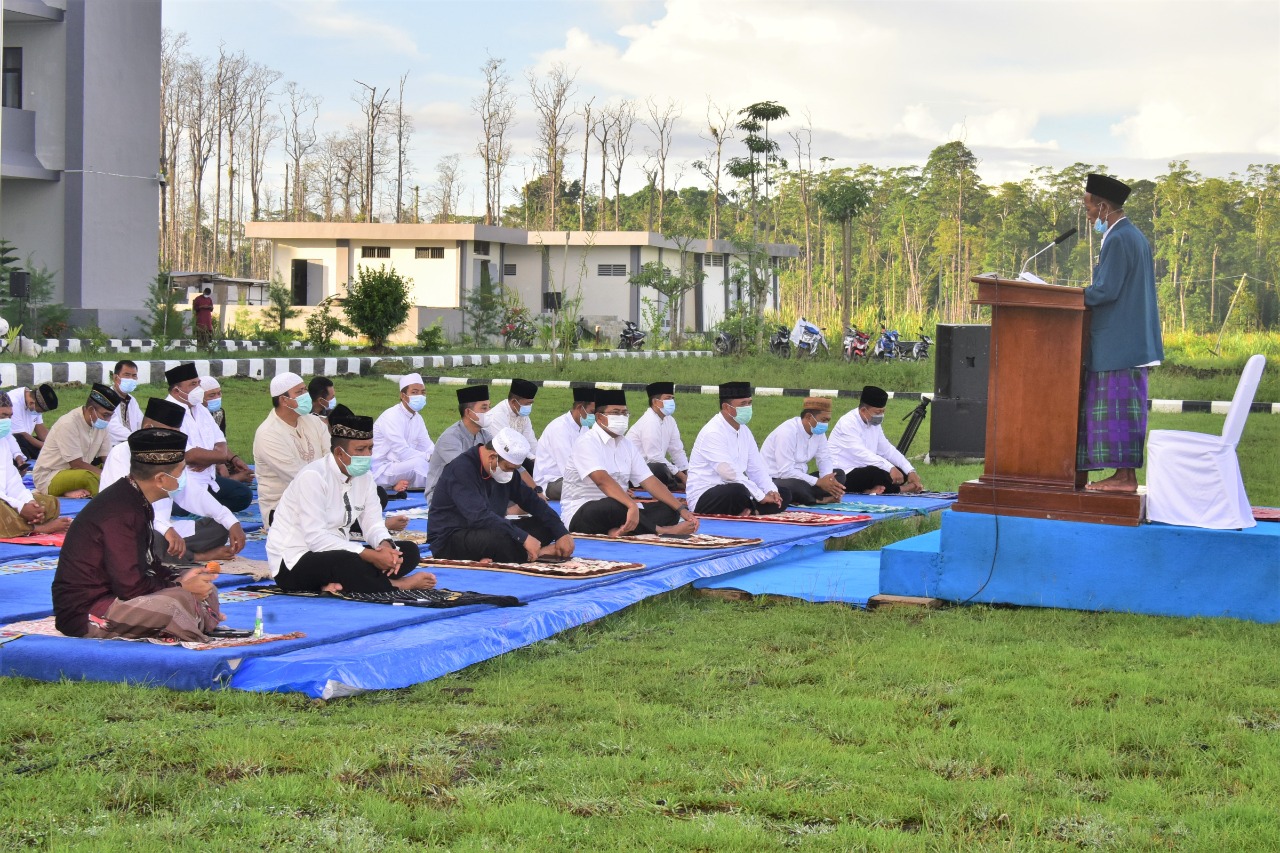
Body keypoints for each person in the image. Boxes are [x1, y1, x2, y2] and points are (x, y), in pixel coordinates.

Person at [52, 427, 229, 641]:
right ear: (161, 479)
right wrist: (181, 586)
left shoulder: (137, 499)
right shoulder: (119, 511)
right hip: (89, 609)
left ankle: (199, 618)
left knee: (204, 587)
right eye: (181, 472)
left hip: (121, 595)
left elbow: (147, 565)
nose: (183, 478)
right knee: (174, 604)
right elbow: (130, 586)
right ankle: (200, 621)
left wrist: (180, 578)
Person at [266, 410, 435, 593]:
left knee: (407, 552)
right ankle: (398, 585)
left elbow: (372, 523)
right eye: (360, 450)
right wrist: (368, 555)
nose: (367, 455)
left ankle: (337, 584)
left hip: (338, 550)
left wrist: (385, 546)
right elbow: (316, 539)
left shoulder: (366, 478)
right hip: (294, 560)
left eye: (370, 448)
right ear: (339, 452)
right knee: (348, 561)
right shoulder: (313, 477)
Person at [1078, 173, 1164, 493]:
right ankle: (1122, 475)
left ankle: (1124, 478)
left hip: (1119, 343)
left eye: (1088, 206)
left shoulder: (1118, 238)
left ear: (1103, 207)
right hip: (1126, 341)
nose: (1086, 213)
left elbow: (1105, 291)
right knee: (1121, 409)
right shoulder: (1132, 235)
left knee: (1119, 411)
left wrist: (1074, 295)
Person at [100, 397, 246, 563]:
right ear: (149, 428)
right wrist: (165, 528)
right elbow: (127, 509)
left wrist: (230, 521)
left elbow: (193, 494)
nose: (173, 439)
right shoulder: (122, 454)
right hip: (130, 528)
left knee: (219, 528)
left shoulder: (170, 456)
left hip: (164, 529)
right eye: (169, 432)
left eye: (176, 433)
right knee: (147, 538)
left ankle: (172, 554)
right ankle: (196, 556)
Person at [561, 389, 699, 536]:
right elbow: (602, 481)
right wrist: (631, 504)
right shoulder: (587, 442)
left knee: (668, 509)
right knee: (615, 504)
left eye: (624, 413)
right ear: (599, 418)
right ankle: (662, 531)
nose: (621, 417)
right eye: (615, 412)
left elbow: (649, 480)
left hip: (623, 507)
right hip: (583, 512)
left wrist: (681, 509)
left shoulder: (626, 444)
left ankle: (620, 530)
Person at [429, 428, 575, 562]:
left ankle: (512, 554)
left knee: (546, 525)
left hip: (488, 528)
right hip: (452, 537)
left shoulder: (504, 469)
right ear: (492, 457)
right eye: (509, 468)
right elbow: (479, 517)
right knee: (500, 539)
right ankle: (538, 553)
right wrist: (523, 538)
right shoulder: (461, 469)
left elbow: (532, 501)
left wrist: (561, 532)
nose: (511, 472)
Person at [685, 382, 789, 516]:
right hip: (707, 495)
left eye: (750, 403)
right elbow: (729, 474)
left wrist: (771, 490)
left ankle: (751, 511)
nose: (748, 407)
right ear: (726, 407)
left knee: (784, 493)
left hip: (740, 488)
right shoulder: (713, 432)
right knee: (737, 491)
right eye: (743, 404)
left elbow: (756, 468)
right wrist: (760, 496)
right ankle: (753, 509)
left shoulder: (745, 431)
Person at [164, 362, 253, 513]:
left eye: (198, 383)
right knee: (185, 503)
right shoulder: (167, 412)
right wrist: (213, 457)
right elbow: (189, 455)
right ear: (176, 391)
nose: (198, 388)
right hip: (181, 482)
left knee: (243, 495)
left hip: (207, 477)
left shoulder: (200, 409)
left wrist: (210, 458)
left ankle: (204, 505)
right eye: (193, 384)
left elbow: (220, 441)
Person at [252, 372, 331, 528]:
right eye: (299, 392)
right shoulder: (268, 434)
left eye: (305, 390)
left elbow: (332, 459)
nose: (306, 395)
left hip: (323, 496)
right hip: (284, 509)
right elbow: (298, 478)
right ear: (284, 400)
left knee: (373, 494)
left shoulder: (314, 421)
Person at [828, 385, 923, 494]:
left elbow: (887, 449)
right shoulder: (847, 423)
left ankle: (871, 490)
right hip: (843, 473)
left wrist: (910, 470)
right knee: (875, 473)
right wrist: (890, 468)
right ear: (863, 410)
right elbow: (862, 454)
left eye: (883, 412)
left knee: (901, 470)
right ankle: (901, 490)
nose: (881, 415)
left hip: (866, 467)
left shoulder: (873, 423)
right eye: (878, 412)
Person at [32, 383, 122, 498]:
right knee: (89, 477)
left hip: (77, 473)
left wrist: (117, 472)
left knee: (112, 470)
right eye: (105, 415)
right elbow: (76, 464)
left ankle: (71, 491)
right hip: (50, 477)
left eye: (110, 416)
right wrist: (108, 476)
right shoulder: (68, 423)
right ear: (91, 410)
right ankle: (111, 499)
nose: (108, 420)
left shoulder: (101, 425)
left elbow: (107, 459)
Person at [0, 394, 68, 537]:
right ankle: (37, 529)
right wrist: (20, 507)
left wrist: (29, 503)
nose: (6, 421)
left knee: (50, 504)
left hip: (6, 499)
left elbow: (13, 481)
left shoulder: (3, 441)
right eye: (2, 416)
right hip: (3, 502)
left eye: (9, 416)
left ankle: (26, 522)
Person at [760, 396, 845, 505]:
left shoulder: (818, 433)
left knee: (840, 474)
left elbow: (824, 458)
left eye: (828, 420)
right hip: (776, 479)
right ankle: (818, 500)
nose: (825, 425)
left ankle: (803, 498)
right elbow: (785, 472)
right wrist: (818, 482)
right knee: (795, 486)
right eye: (823, 420)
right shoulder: (787, 433)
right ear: (809, 417)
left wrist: (828, 480)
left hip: (801, 478)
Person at [423, 385, 491, 502]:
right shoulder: (450, 438)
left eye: (490, 407)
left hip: (474, 489)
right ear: (468, 412)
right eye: (484, 408)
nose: (489, 412)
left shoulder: (484, 435)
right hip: (442, 494)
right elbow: (463, 471)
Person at [372, 372, 434, 492]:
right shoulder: (391, 416)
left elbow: (426, 445)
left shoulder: (417, 418)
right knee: (419, 464)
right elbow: (401, 452)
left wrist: (438, 457)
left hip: (401, 466)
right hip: (382, 469)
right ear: (403, 395)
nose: (420, 396)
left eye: (423, 392)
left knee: (435, 464)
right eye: (414, 392)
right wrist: (429, 457)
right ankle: (438, 491)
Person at [532, 386, 594, 500]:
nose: (594, 416)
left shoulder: (584, 427)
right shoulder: (559, 429)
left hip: (575, 477)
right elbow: (569, 470)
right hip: (552, 481)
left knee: (605, 484)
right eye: (592, 412)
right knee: (592, 489)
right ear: (580, 408)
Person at [628, 381, 689, 490]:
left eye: (672, 398)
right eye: (668, 398)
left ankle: (676, 483)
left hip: (656, 465)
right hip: (637, 471)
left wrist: (686, 472)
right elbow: (654, 457)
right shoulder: (649, 421)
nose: (672, 401)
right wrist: (681, 475)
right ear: (655, 402)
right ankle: (675, 486)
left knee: (685, 469)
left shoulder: (670, 420)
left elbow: (677, 450)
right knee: (659, 469)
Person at [486, 378, 540, 472]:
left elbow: (531, 440)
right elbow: (507, 446)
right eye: (527, 404)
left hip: (518, 456)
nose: (529, 407)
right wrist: (533, 459)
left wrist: (539, 458)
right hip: (500, 458)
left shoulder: (523, 415)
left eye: (531, 404)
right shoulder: (498, 414)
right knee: (530, 466)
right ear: (514, 402)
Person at [8, 383, 56, 460]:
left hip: (25, 440)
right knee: (24, 449)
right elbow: (22, 435)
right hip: (13, 439)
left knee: (53, 445)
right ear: (31, 403)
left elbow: (41, 430)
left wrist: (55, 443)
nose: (38, 413)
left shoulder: (34, 401)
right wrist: (48, 447)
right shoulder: (13, 402)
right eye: (39, 411)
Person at [106, 359, 143, 449]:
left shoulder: (132, 400)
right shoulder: (106, 397)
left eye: (134, 376)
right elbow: (112, 427)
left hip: (132, 445)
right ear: (115, 378)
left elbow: (140, 422)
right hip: (112, 447)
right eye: (127, 375)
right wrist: (136, 439)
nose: (131, 379)